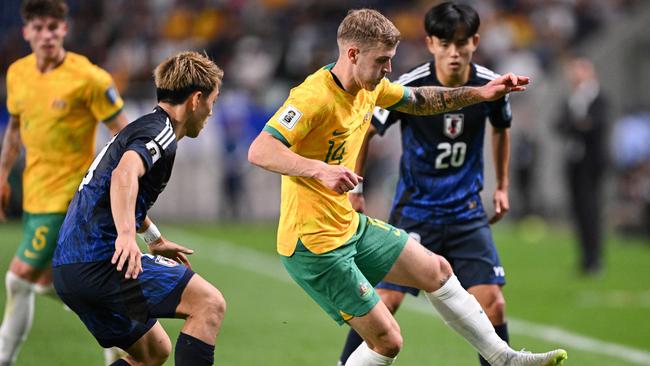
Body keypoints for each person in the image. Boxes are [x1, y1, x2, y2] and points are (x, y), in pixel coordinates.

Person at [248, 8, 567, 366]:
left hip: (348, 227)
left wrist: (480, 94)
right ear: (352, 54)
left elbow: (420, 100)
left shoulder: (371, 87)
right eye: (382, 60)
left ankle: (501, 358)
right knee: (388, 342)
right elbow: (260, 150)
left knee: (438, 271)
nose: (388, 69)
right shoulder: (312, 98)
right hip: (313, 245)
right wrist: (318, 170)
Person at [338, 3, 517, 365]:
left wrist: (501, 186)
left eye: (462, 43)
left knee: (493, 304)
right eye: (445, 44)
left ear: (475, 42)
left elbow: (501, 128)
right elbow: (365, 131)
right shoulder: (409, 85)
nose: (454, 53)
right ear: (431, 43)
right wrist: (356, 189)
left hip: (466, 211)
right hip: (416, 212)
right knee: (384, 303)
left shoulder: (490, 84)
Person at [51, 51, 226, 366]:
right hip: (100, 263)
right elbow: (123, 175)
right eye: (213, 100)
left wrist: (153, 238)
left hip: (69, 269)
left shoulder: (145, 129)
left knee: (153, 351)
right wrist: (127, 236)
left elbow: (118, 191)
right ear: (197, 99)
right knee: (209, 303)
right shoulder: (159, 133)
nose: (212, 111)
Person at [0, 1, 129, 365]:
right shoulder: (17, 74)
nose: (47, 35)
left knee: (17, 278)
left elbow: (124, 132)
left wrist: (110, 183)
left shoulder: (89, 78)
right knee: (45, 283)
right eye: (39, 28)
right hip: (34, 193)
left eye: (53, 27)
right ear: (26, 32)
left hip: (69, 196)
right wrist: (2, 175)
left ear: (65, 30)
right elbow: (13, 128)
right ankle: (114, 326)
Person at [555, 56, 608, 276]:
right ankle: (585, 258)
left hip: (591, 162)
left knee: (590, 209)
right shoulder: (572, 99)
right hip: (574, 161)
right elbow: (559, 124)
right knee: (579, 210)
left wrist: (577, 125)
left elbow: (595, 125)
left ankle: (595, 259)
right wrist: (579, 125)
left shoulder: (597, 98)